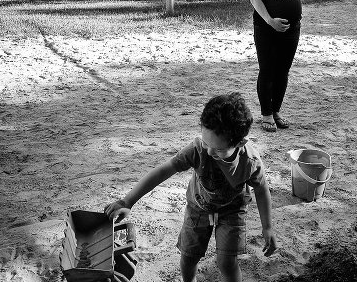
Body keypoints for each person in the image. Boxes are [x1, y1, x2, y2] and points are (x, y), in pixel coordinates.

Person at [104, 93, 277, 282]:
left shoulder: (250, 162)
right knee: (188, 257)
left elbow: (261, 190)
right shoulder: (198, 149)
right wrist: (128, 201)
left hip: (232, 211)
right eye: (206, 143)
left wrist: (267, 227)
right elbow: (165, 170)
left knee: (226, 262)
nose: (210, 152)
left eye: (218, 149)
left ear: (239, 143)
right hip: (198, 209)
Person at [248, 0, 311, 132]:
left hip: (292, 28)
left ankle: (276, 111)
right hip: (266, 26)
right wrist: (270, 21)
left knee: (283, 71)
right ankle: (266, 115)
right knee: (267, 70)